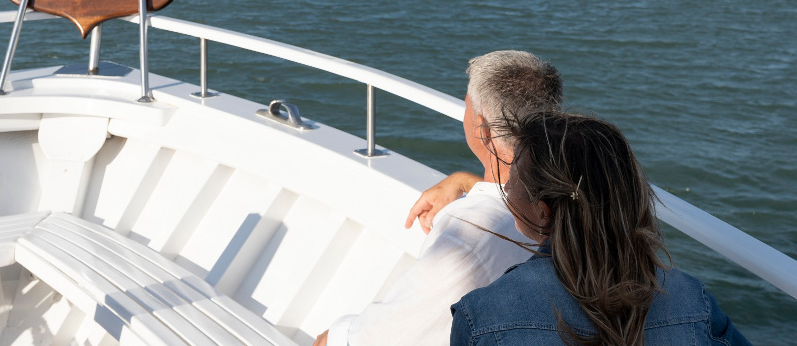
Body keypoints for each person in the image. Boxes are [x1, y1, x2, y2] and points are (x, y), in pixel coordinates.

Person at [315, 51, 563, 346]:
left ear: (482, 130)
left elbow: (368, 339)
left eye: (467, 106)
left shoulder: (470, 237)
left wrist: (327, 338)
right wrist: (463, 181)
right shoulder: (573, 198)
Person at [450, 112, 751, 345]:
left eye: (514, 175)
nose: (507, 185)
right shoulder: (692, 300)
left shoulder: (484, 313)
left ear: (544, 212)